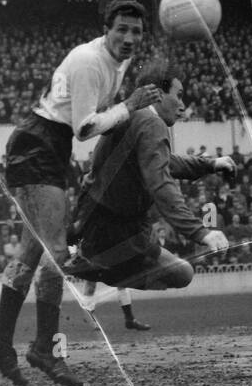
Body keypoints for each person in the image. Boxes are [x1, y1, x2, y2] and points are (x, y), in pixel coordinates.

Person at [0, 0, 160, 386]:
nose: (129, 38)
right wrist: (129, 107)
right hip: (39, 144)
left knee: (31, 251)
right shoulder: (88, 61)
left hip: (51, 147)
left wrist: (124, 114)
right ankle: (43, 348)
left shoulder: (117, 61)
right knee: (55, 253)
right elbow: (83, 127)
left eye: (136, 32)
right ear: (106, 30)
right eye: (122, 30)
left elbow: (95, 120)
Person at [61, 61, 231, 330]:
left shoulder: (136, 117)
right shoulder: (151, 123)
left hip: (102, 220)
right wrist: (200, 232)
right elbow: (161, 183)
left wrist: (209, 164)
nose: (182, 104)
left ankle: (91, 263)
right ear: (159, 94)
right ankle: (96, 265)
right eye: (178, 94)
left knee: (179, 272)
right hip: (112, 227)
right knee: (183, 274)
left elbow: (165, 163)